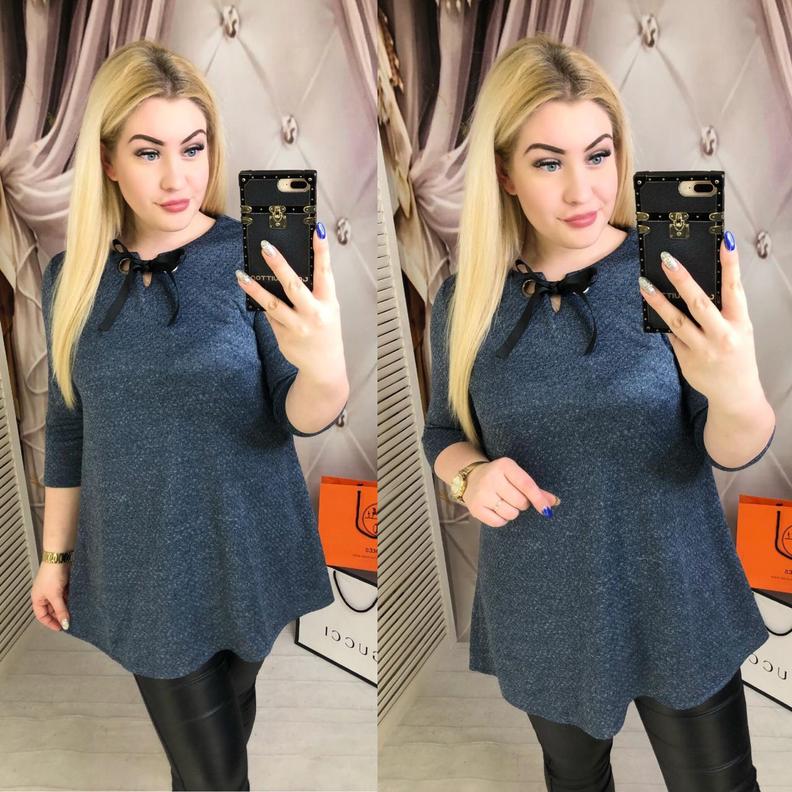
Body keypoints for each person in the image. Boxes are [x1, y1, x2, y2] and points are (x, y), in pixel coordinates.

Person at [421, 33, 776, 792]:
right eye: (549, 162)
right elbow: (443, 432)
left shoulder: (668, 276)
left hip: (675, 588)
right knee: (575, 780)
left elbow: (732, 447)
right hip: (543, 601)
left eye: (599, 154)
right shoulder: (465, 299)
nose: (583, 190)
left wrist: (737, 386)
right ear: (505, 174)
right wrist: (469, 477)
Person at [31, 40, 349, 791]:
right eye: (149, 152)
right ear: (108, 160)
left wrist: (325, 363)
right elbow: (70, 429)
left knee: (218, 743)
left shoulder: (253, 257)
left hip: (250, 544)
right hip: (140, 562)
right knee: (217, 778)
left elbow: (298, 414)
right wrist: (54, 557)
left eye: (193, 148)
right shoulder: (70, 279)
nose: (177, 177)